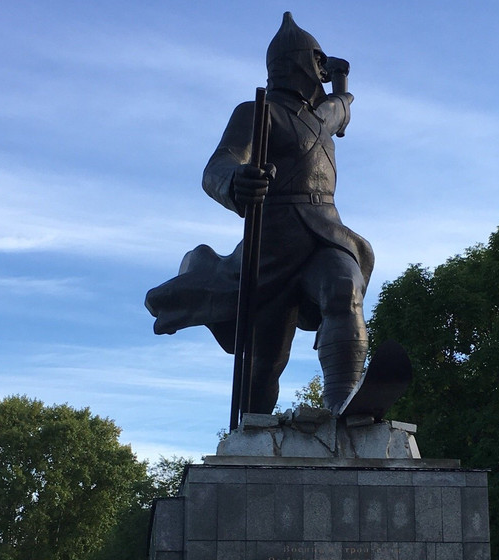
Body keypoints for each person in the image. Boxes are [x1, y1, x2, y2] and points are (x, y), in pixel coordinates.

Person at [145, 12, 373, 415]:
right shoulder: (257, 110)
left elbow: (342, 109)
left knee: (343, 290)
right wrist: (236, 181)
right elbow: (218, 165)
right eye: (317, 64)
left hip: (326, 234)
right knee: (266, 366)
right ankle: (253, 432)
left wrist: (340, 82)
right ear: (306, 63)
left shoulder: (322, 116)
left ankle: (344, 403)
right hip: (274, 243)